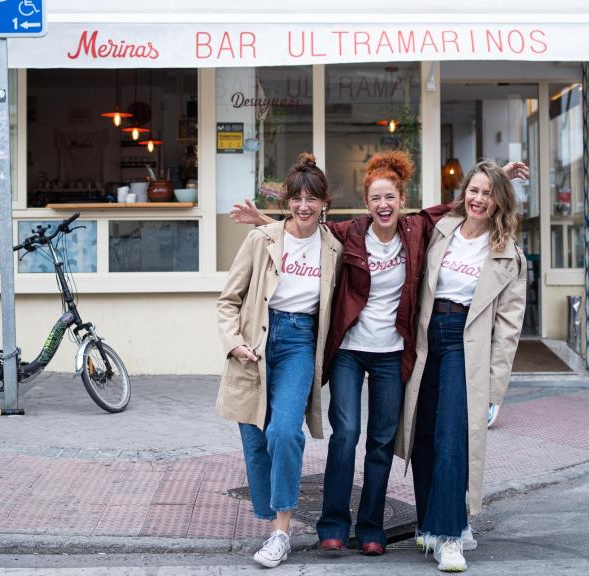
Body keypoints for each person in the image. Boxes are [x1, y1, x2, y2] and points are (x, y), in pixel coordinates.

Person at [232, 153, 527, 556]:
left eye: (390, 197)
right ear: (366, 202)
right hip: (351, 352)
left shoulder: (419, 229)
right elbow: (304, 230)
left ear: (402, 200)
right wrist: (263, 221)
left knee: (382, 441)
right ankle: (333, 524)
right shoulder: (351, 232)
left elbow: (462, 205)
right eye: (375, 198)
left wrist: (500, 177)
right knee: (347, 434)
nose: (383, 205)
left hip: (393, 354)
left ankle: (372, 527)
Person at [397, 160, 527, 572]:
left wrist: (494, 389)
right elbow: (424, 216)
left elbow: (508, 329)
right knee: (423, 434)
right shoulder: (442, 230)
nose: (479, 199)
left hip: (464, 345)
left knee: (453, 436)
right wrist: (497, 171)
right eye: (474, 190)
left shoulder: (508, 254)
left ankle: (449, 536)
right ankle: (431, 523)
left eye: (489, 193)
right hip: (425, 339)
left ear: (499, 201)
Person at [216, 153, 343, 569]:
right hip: (256, 338)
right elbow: (228, 299)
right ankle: (270, 519)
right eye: (296, 198)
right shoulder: (263, 239)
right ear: (287, 201)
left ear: (325, 202)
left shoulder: (334, 247)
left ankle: (281, 531)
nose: (304, 206)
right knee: (255, 438)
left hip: (299, 341)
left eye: (312, 199)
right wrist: (233, 342)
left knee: (285, 432)